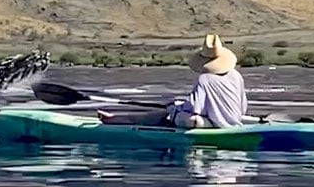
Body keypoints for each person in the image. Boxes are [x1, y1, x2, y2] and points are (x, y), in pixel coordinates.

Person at [97, 33, 249, 128]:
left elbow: (194, 109)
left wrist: (175, 107)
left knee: (167, 115)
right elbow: (242, 108)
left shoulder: (205, 79)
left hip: (212, 125)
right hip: (233, 122)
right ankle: (118, 118)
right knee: (175, 111)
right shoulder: (236, 75)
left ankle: (118, 120)